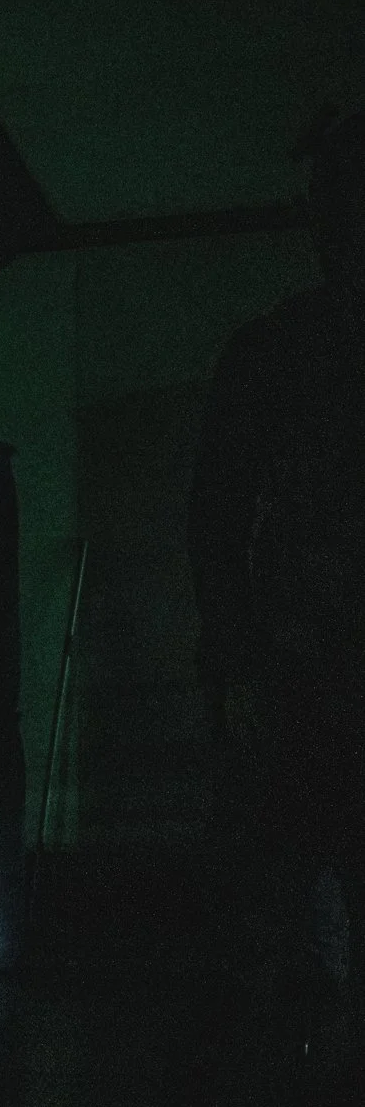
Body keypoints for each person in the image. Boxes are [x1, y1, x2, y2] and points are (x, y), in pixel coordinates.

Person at [188, 110, 365, 996]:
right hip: (303, 669)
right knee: (296, 891)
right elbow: (217, 521)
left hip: (299, 667)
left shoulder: (275, 350)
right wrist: (241, 665)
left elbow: (218, 522)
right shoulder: (276, 352)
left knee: (299, 895)